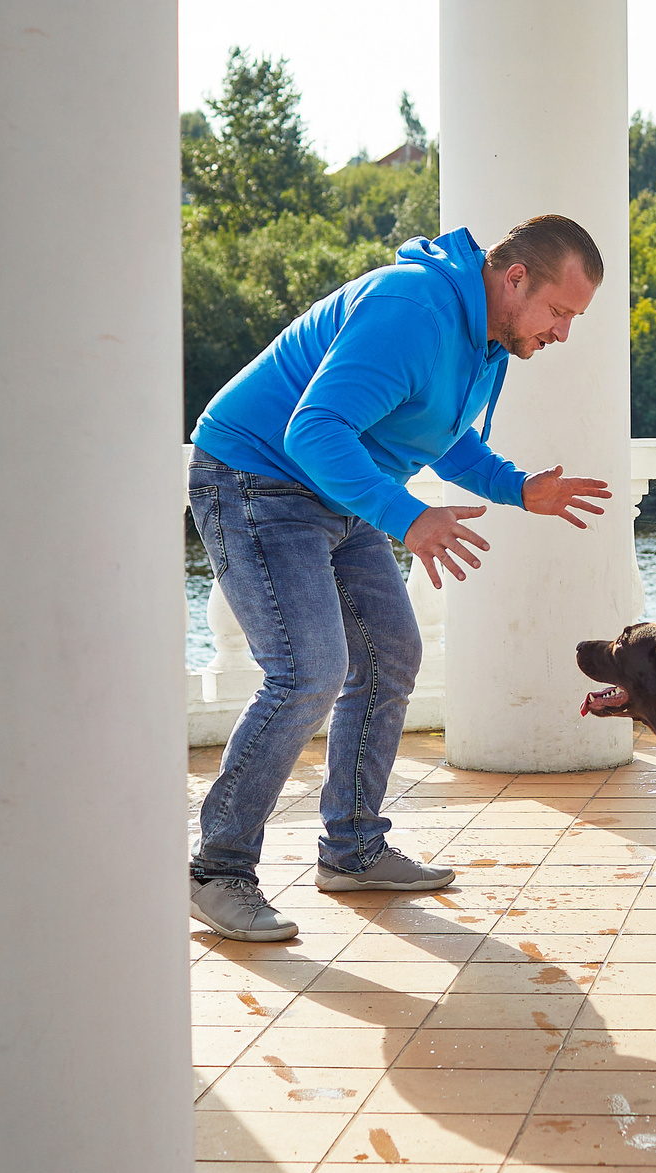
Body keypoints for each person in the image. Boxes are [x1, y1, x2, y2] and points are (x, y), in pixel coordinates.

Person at [185, 215, 615, 941]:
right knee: (306, 670)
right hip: (255, 476)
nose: (563, 333)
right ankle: (217, 870)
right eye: (560, 311)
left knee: (391, 652)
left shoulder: (488, 343)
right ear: (515, 279)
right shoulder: (411, 308)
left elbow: (446, 442)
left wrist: (518, 488)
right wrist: (407, 517)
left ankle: (351, 850)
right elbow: (311, 429)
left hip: (339, 486)